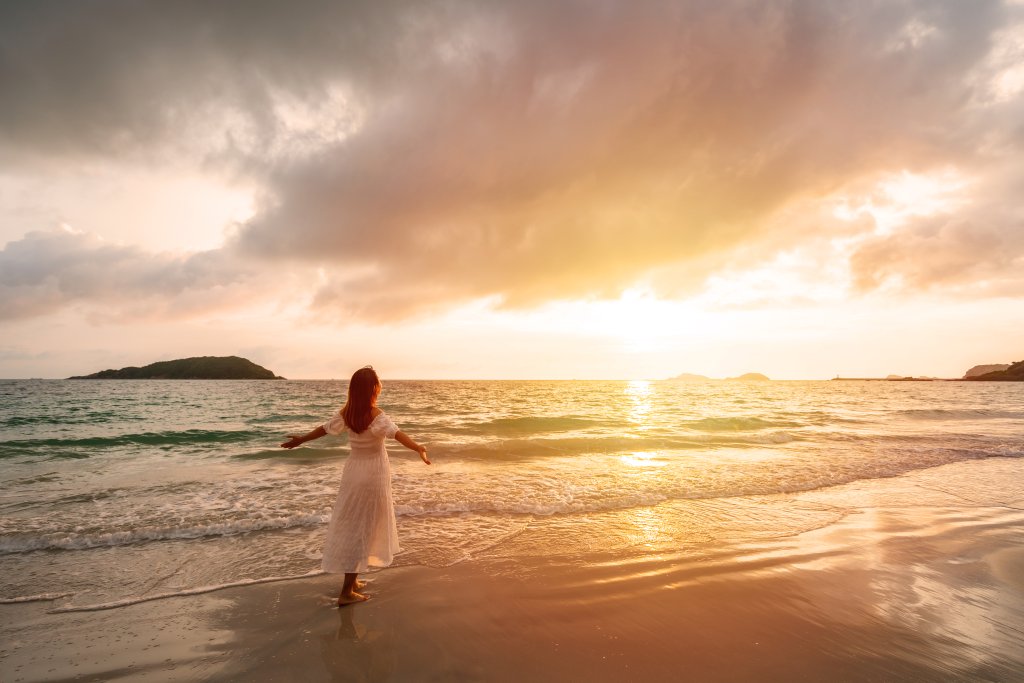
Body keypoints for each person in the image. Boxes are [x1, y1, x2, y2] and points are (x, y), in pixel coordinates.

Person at [281, 366, 430, 605]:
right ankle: (346, 593)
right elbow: (397, 434)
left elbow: (324, 429)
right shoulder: (376, 415)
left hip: (353, 473)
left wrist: (301, 440)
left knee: (355, 525)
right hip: (373, 476)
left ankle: (353, 580)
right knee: (363, 528)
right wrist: (418, 448)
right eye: (378, 383)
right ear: (373, 388)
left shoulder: (347, 412)